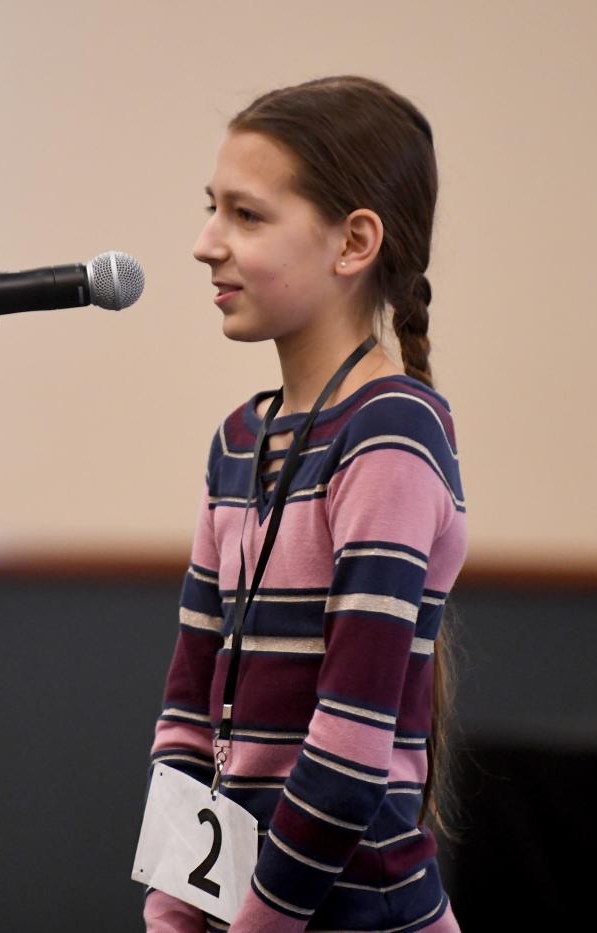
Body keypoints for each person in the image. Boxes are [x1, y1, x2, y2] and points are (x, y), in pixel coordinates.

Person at [142, 76, 467, 932]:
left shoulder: (390, 431)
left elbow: (349, 752)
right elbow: (187, 709)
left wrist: (253, 924)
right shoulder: (238, 440)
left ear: (354, 241)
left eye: (246, 216)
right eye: (213, 209)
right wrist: (175, 904)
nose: (206, 243)